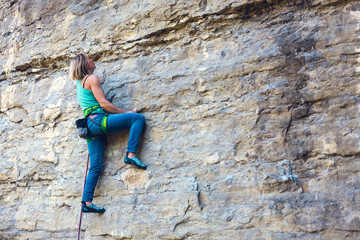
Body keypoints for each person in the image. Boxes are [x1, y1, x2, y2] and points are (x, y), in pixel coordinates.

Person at [69, 53, 147, 213]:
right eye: (90, 58)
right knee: (137, 118)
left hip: (89, 127)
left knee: (95, 166)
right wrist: (125, 112)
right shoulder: (91, 78)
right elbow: (104, 104)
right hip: (97, 121)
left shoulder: (79, 83)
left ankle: (87, 202)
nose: (93, 60)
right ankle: (131, 155)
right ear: (85, 63)